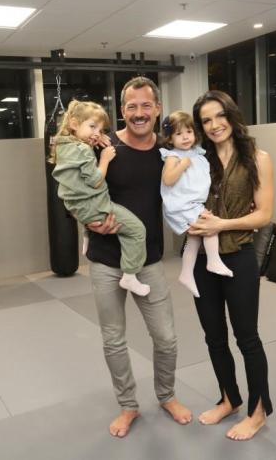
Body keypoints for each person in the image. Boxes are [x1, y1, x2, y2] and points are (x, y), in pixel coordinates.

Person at [86, 77, 192, 437]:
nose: (139, 113)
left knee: (166, 338)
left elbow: (188, 185)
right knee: (114, 339)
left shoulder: (166, 152)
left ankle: (167, 395)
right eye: (132, 106)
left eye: (146, 105)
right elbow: (75, 191)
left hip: (147, 261)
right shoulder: (104, 147)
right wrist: (88, 221)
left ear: (158, 109)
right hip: (105, 260)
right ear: (122, 110)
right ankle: (128, 405)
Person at [188, 90, 274, 441]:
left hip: (239, 256)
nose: (214, 125)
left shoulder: (258, 158)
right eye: (206, 120)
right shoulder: (197, 159)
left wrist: (221, 225)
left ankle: (258, 411)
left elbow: (264, 215)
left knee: (247, 338)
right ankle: (229, 399)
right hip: (201, 259)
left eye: (219, 116)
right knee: (213, 337)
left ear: (231, 115)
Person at [50, 100, 150, 296]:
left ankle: (87, 237)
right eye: (92, 126)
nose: (97, 133)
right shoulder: (83, 150)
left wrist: (95, 136)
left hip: (79, 207)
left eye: (101, 129)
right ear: (74, 124)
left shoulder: (64, 145)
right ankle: (130, 275)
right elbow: (95, 181)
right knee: (137, 230)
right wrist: (104, 159)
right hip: (95, 206)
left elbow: (80, 169)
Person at [158, 111, 233, 298]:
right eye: (179, 134)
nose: (185, 137)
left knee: (194, 239)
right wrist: (182, 165)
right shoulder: (173, 156)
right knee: (209, 224)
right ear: (170, 138)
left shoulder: (197, 153)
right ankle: (213, 260)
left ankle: (186, 273)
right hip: (182, 204)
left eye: (189, 132)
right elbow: (167, 179)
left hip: (193, 203)